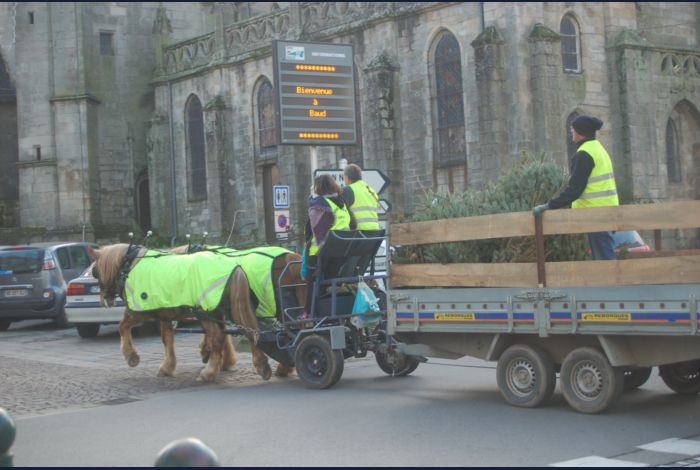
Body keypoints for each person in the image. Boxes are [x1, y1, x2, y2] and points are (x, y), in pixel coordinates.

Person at [532, 115, 619, 260]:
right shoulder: (598, 149)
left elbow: (574, 189)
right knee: (603, 258)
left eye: (573, 129)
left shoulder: (584, 154)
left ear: (581, 132)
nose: (571, 132)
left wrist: (549, 205)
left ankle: (615, 283)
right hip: (606, 209)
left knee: (605, 260)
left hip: (595, 213)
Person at [300, 174, 354, 318]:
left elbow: (315, 229)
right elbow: (352, 225)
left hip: (320, 252)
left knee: (312, 282)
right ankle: (327, 310)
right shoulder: (342, 204)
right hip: (340, 251)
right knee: (329, 280)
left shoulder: (320, 203)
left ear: (318, 187)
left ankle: (309, 313)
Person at [342, 163, 381, 231]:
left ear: (347, 177)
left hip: (359, 233)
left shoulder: (348, 190)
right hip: (375, 232)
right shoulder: (371, 190)